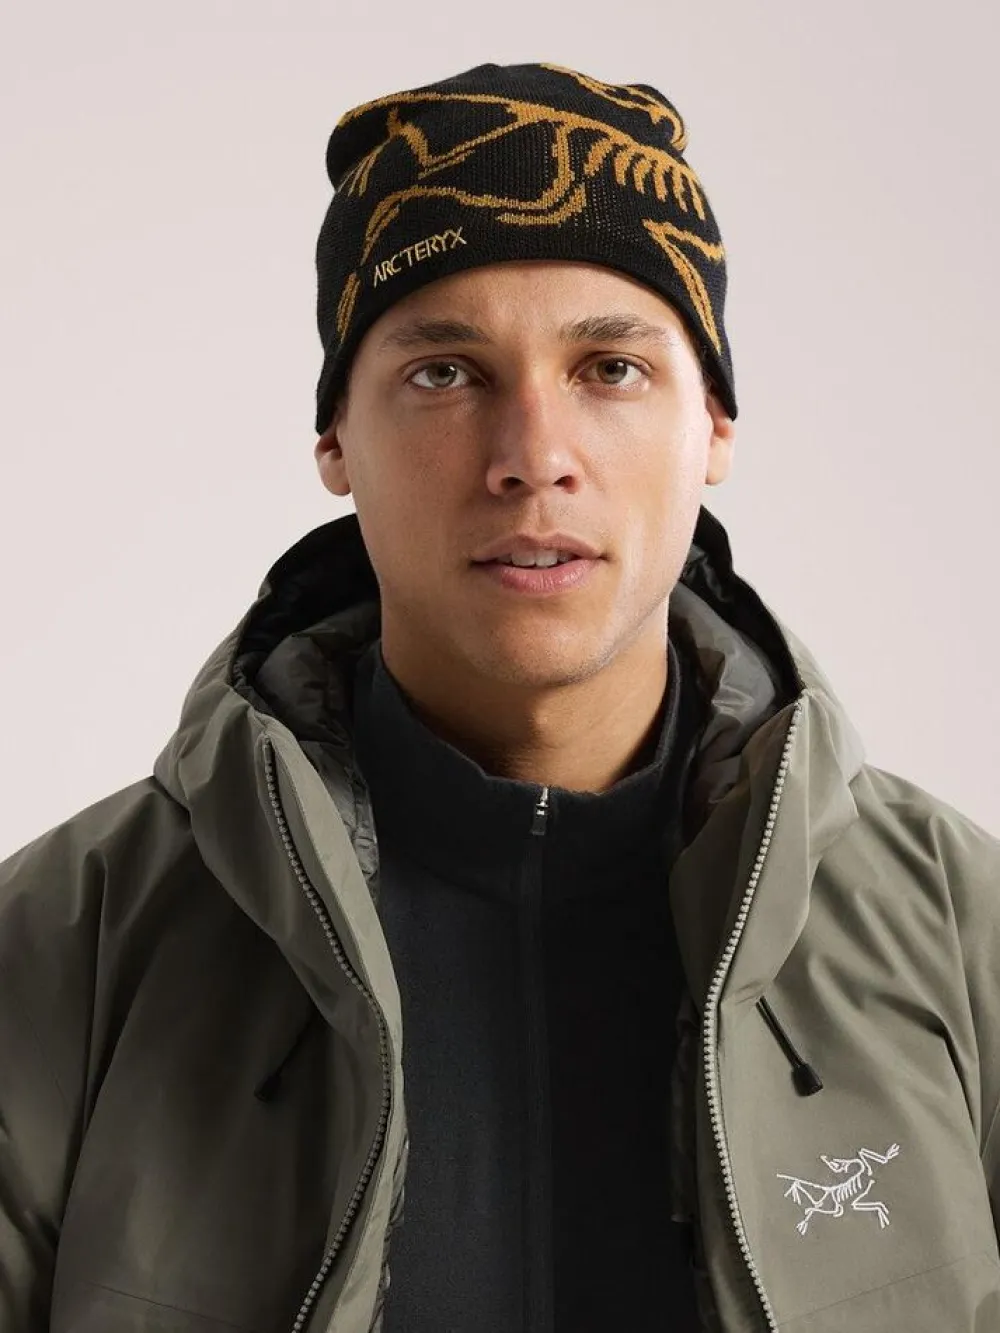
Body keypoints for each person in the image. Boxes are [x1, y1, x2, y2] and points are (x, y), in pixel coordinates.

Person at [1, 60, 998, 1333]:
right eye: (445, 372)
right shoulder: (63, 949)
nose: (533, 458)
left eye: (610, 368)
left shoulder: (960, 936)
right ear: (335, 440)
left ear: (713, 426)